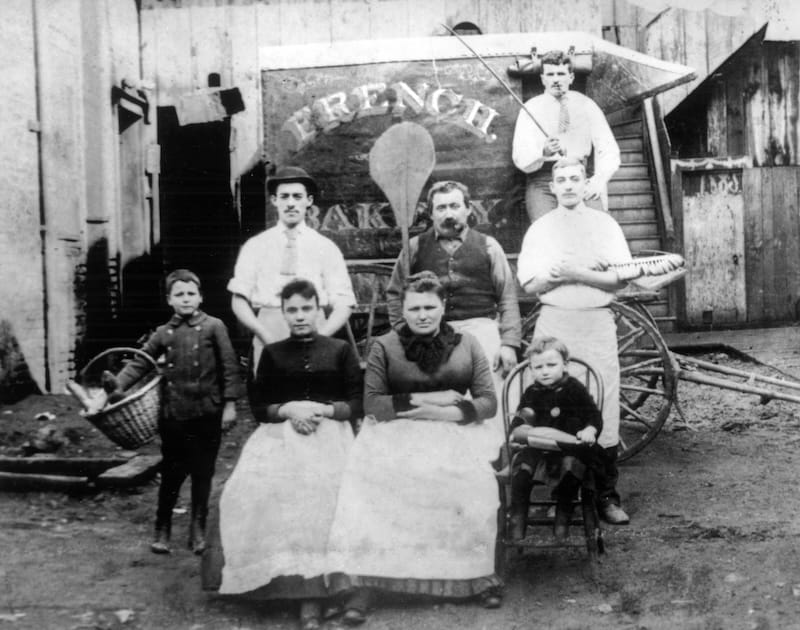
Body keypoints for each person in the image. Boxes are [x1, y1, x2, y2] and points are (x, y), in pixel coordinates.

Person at [327, 271, 503, 624]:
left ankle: (474, 574)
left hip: (455, 429)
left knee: (467, 480)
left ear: (443, 307)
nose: (422, 315)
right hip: (396, 429)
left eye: (429, 307)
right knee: (376, 479)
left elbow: (487, 402)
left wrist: (451, 412)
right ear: (403, 311)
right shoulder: (384, 345)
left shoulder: (468, 343)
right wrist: (425, 401)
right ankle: (366, 580)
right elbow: (374, 403)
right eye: (414, 308)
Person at [203, 279, 362, 630]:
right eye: (292, 310)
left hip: (331, 435)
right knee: (252, 491)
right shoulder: (273, 353)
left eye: (307, 309)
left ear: (319, 311)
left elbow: (356, 402)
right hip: (281, 435)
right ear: (284, 314)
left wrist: (323, 411)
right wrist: (288, 409)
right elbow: (259, 406)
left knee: (327, 497)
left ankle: (332, 591)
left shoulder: (340, 350)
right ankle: (293, 589)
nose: (300, 316)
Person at [516, 157, 632, 525]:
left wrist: (573, 271)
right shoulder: (540, 229)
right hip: (555, 324)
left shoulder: (605, 225)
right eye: (561, 179)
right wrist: (561, 276)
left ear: (585, 184)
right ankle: (556, 491)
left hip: (596, 322)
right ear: (552, 186)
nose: (568, 185)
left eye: (575, 178)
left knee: (602, 401)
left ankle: (605, 496)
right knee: (552, 401)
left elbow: (620, 279)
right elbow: (530, 284)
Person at [112, 269, 242, 555]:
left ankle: (198, 527)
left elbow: (230, 367)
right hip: (174, 417)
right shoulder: (163, 333)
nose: (186, 299)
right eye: (179, 294)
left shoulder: (214, 327)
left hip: (208, 412)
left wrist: (230, 405)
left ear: (200, 296)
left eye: (191, 293)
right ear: (170, 300)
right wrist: (115, 386)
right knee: (172, 472)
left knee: (203, 472)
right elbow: (140, 363)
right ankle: (163, 526)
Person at [385, 180, 521, 436]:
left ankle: (492, 457)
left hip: (481, 329)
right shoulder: (414, 247)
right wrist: (406, 331)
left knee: (490, 394)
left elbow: (507, 297)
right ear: (431, 212)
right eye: (441, 207)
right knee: (436, 403)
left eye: (455, 206)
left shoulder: (489, 246)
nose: (448, 214)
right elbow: (394, 293)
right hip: (431, 333)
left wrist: (509, 343)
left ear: (469, 209)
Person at [228, 166, 356, 374]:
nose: (290, 203)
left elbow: (344, 301)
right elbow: (239, 299)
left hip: (315, 328)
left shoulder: (325, 247)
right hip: (269, 328)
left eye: (297, 196)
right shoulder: (256, 245)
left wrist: (322, 336)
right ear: (273, 201)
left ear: (309, 201)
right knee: (273, 398)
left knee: (316, 395)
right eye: (284, 196)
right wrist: (264, 334)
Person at [508, 336, 603, 542]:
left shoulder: (574, 389)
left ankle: (564, 511)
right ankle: (518, 514)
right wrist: (517, 432)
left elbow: (593, 415)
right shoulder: (532, 392)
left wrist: (590, 429)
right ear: (531, 369)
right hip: (537, 449)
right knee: (521, 470)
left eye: (551, 365)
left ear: (565, 364)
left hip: (569, 450)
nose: (545, 371)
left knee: (571, 470)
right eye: (538, 367)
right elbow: (521, 418)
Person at [511, 49, 620, 223]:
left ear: (571, 77)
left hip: (580, 176)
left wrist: (599, 180)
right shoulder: (531, 108)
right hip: (544, 180)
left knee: (597, 228)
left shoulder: (586, 105)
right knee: (545, 232)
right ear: (542, 79)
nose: (556, 79)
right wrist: (543, 151)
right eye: (551, 74)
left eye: (561, 73)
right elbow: (519, 156)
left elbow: (608, 148)